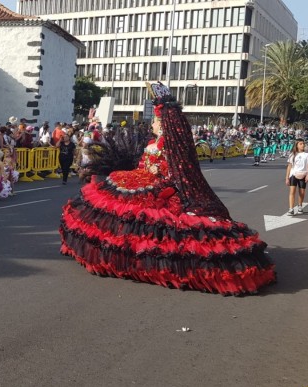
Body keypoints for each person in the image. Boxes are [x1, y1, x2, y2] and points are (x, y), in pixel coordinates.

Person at [59, 83, 276, 295]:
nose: (152, 124)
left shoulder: (167, 146)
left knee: (139, 218)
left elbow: (170, 172)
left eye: (154, 120)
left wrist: (154, 169)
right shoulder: (158, 143)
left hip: (157, 186)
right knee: (113, 197)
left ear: (163, 124)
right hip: (145, 180)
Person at [284, 139, 308, 216]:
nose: (302, 145)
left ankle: (300, 206)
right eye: (300, 144)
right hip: (293, 175)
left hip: (303, 174)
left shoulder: (307, 155)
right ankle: (291, 209)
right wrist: (287, 177)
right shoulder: (292, 154)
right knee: (292, 191)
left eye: (303, 144)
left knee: (302, 192)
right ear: (296, 145)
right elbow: (289, 166)